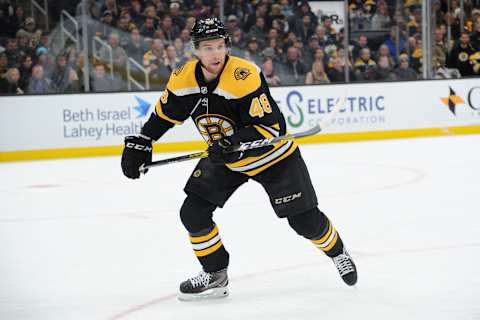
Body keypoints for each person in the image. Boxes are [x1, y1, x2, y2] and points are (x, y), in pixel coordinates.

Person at [121, 17, 357, 301]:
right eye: (208, 47)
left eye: (220, 46)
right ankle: (216, 276)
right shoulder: (182, 77)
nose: (216, 53)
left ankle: (338, 251)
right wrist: (144, 140)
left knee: (304, 222)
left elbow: (272, 128)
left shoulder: (244, 75)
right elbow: (164, 114)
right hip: (227, 159)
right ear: (195, 50)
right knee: (192, 213)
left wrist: (233, 142)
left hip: (273, 158)